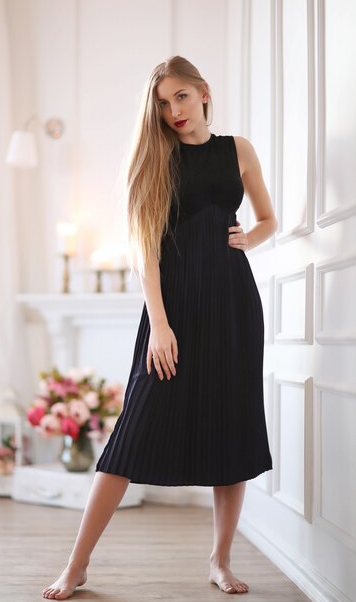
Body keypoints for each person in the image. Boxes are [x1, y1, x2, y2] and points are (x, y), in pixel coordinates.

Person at [42, 55, 277, 600]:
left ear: (203, 92)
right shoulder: (155, 159)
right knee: (131, 435)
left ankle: (219, 560)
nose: (173, 111)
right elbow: (145, 250)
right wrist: (160, 327)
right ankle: (76, 566)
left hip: (234, 305)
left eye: (182, 98)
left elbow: (268, 217)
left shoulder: (238, 150)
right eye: (163, 102)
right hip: (172, 312)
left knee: (231, 429)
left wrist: (251, 239)